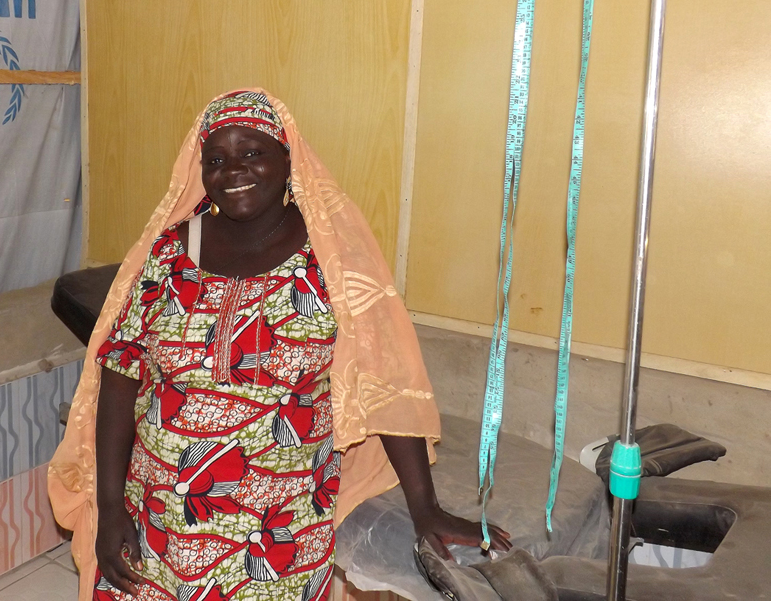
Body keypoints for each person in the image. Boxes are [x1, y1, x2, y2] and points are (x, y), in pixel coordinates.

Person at [49, 89, 510, 601]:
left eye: (252, 152)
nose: (233, 170)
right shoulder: (172, 250)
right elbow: (121, 371)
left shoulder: (333, 260)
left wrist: (425, 507)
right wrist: (112, 507)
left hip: (274, 538)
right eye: (216, 159)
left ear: (287, 159)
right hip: (159, 514)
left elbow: (381, 382)